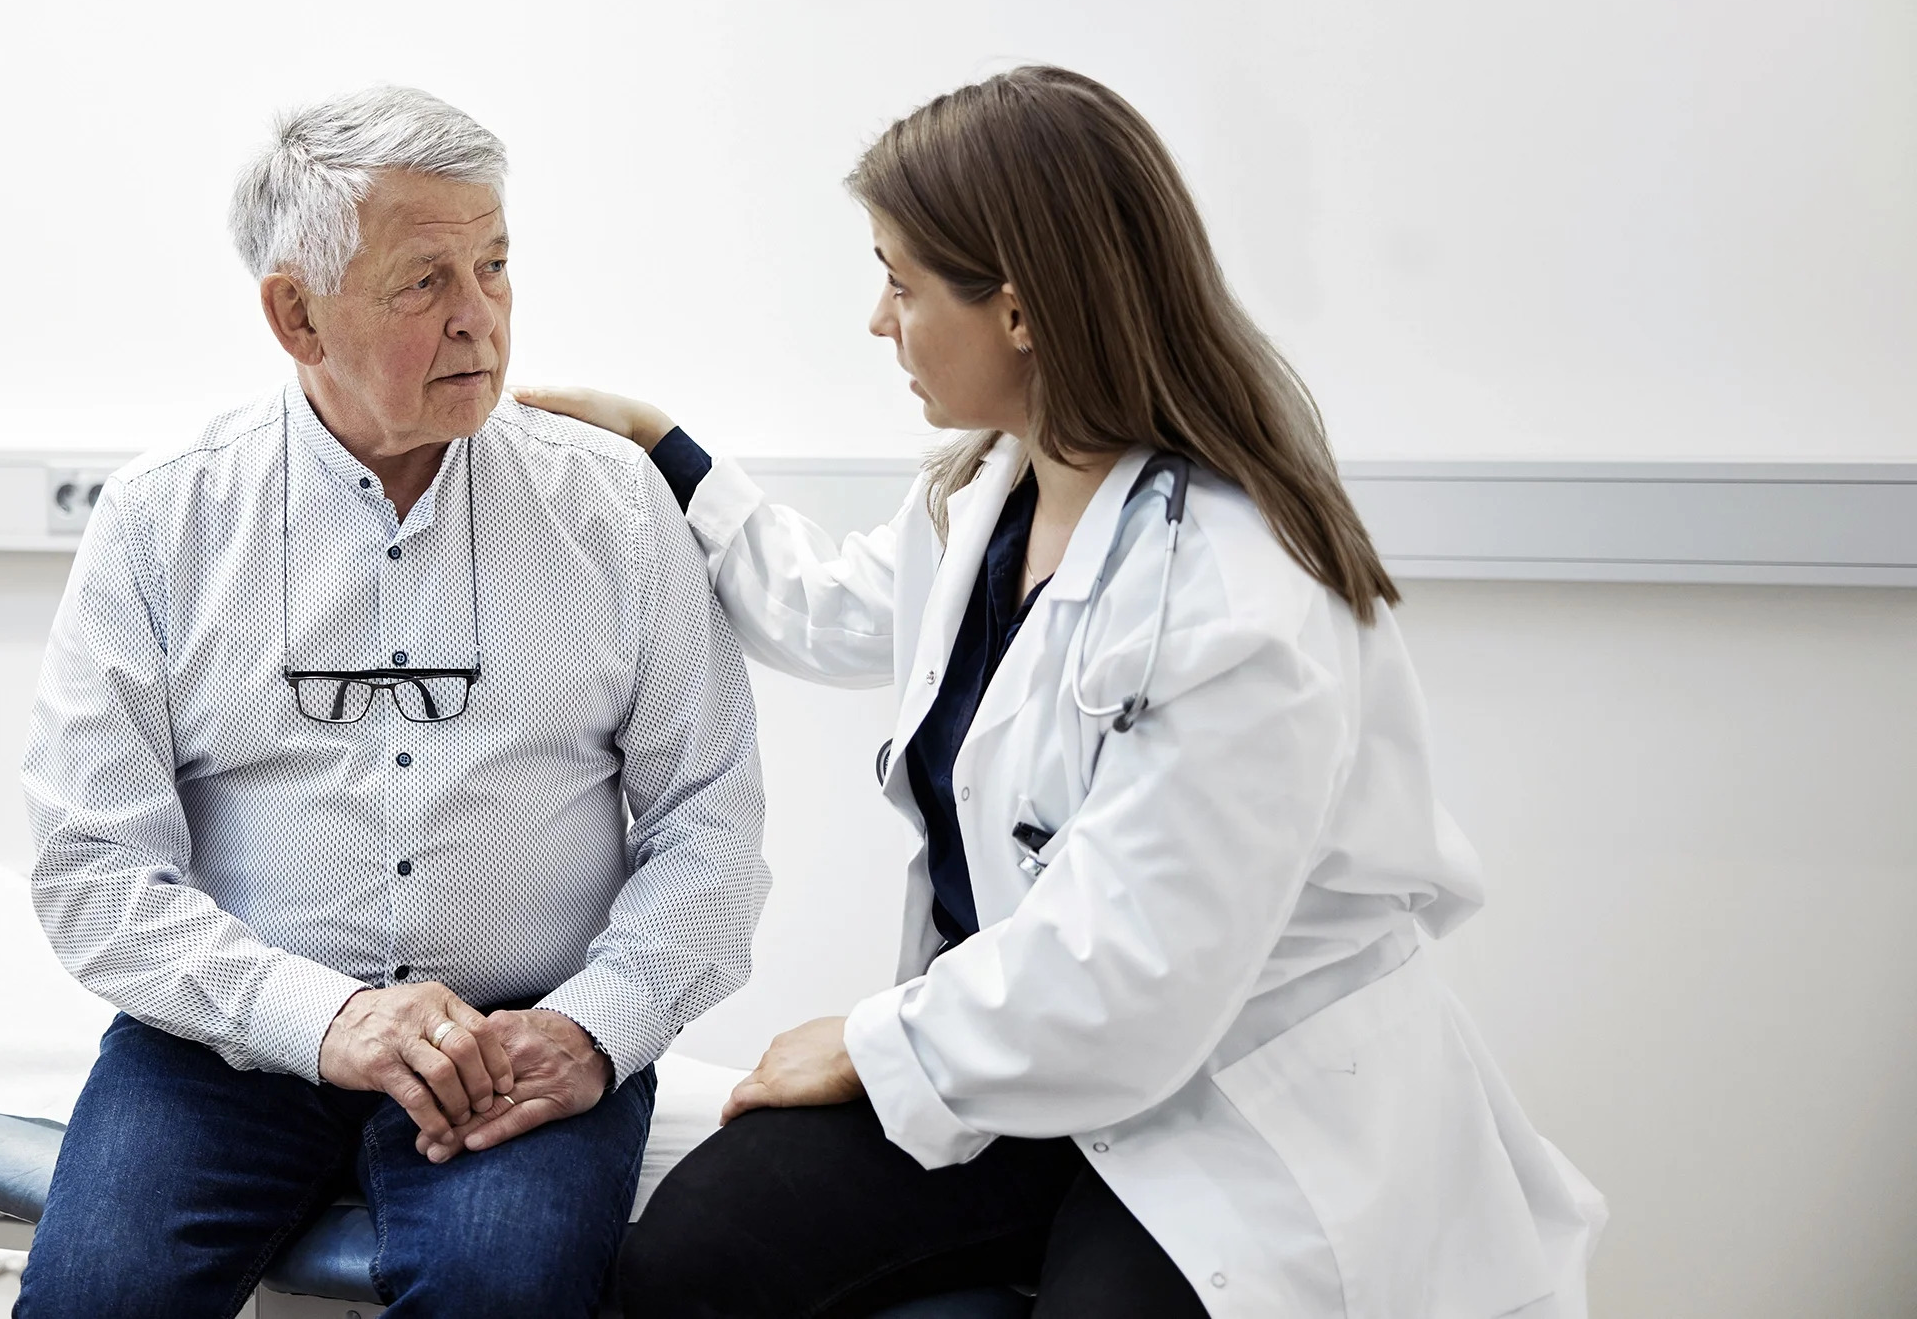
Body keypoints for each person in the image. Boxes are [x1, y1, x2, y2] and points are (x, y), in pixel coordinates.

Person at [521, 65, 1604, 1319]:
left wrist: (872, 1045)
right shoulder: (997, 494)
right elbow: (829, 608)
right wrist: (664, 448)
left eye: (901, 280)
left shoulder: (1234, 595)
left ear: (1021, 312)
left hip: (1224, 1100)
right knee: (695, 1257)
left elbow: (1133, 982)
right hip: (1027, 1058)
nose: (880, 321)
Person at [14, 84, 768, 1319]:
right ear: (296, 314)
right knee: (95, 1299)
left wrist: (593, 1029)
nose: (482, 322)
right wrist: (330, 1020)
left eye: (496, 268)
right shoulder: (164, 523)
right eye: (426, 283)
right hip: (232, 1040)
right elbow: (91, 870)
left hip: (526, 1043)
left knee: (500, 1297)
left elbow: (711, 829)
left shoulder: (615, 510)